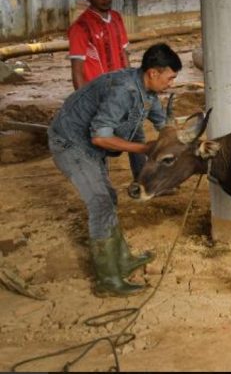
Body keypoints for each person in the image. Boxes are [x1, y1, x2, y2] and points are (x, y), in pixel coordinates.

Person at [48, 43, 181, 297]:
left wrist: (177, 140)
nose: (172, 83)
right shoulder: (124, 90)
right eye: (170, 77)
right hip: (69, 142)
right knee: (100, 202)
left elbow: (162, 123)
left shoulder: (148, 92)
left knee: (109, 197)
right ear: (153, 73)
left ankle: (122, 259)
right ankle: (107, 280)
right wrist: (144, 149)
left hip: (87, 143)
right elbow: (100, 137)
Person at [68, 0, 149, 194]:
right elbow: (77, 72)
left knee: (136, 133)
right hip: (99, 98)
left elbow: (125, 57)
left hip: (123, 93)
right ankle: (102, 191)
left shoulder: (117, 19)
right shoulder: (80, 28)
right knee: (99, 144)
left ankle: (142, 181)